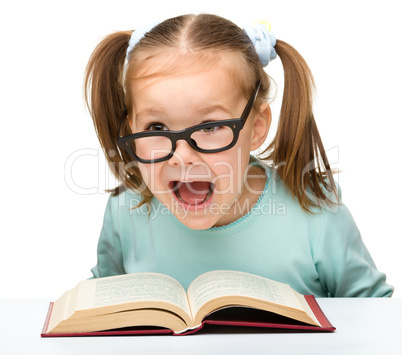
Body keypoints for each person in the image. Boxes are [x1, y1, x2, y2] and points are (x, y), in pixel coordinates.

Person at [85, 14, 393, 297]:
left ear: (256, 127)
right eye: (156, 126)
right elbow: (100, 307)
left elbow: (375, 311)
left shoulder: (314, 209)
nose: (181, 155)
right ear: (131, 130)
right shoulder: (125, 214)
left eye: (211, 126)